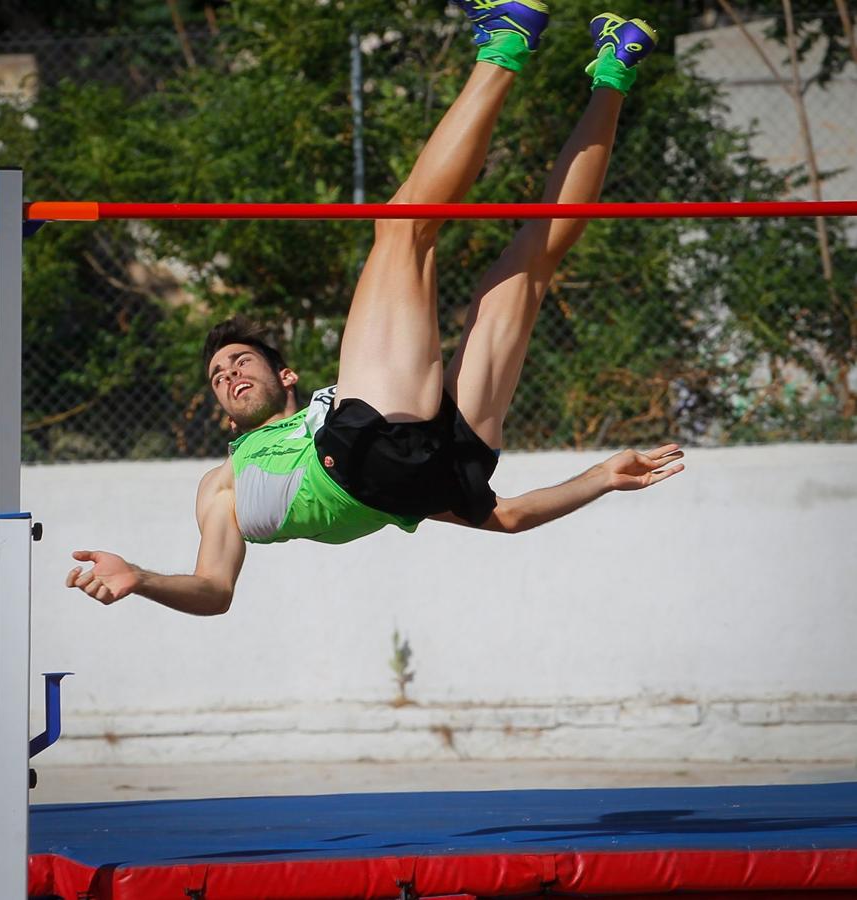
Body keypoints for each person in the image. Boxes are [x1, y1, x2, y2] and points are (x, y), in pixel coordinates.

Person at [67, 3, 684, 615]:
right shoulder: (222, 483)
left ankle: (615, 67)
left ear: (287, 376)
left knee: (532, 257)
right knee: (403, 227)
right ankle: (506, 43)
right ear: (225, 417)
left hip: (407, 467)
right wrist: (141, 577)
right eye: (218, 377)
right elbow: (214, 591)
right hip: (387, 460)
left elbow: (504, 517)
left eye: (239, 361)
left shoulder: (326, 408)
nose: (228, 374)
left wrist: (596, 480)